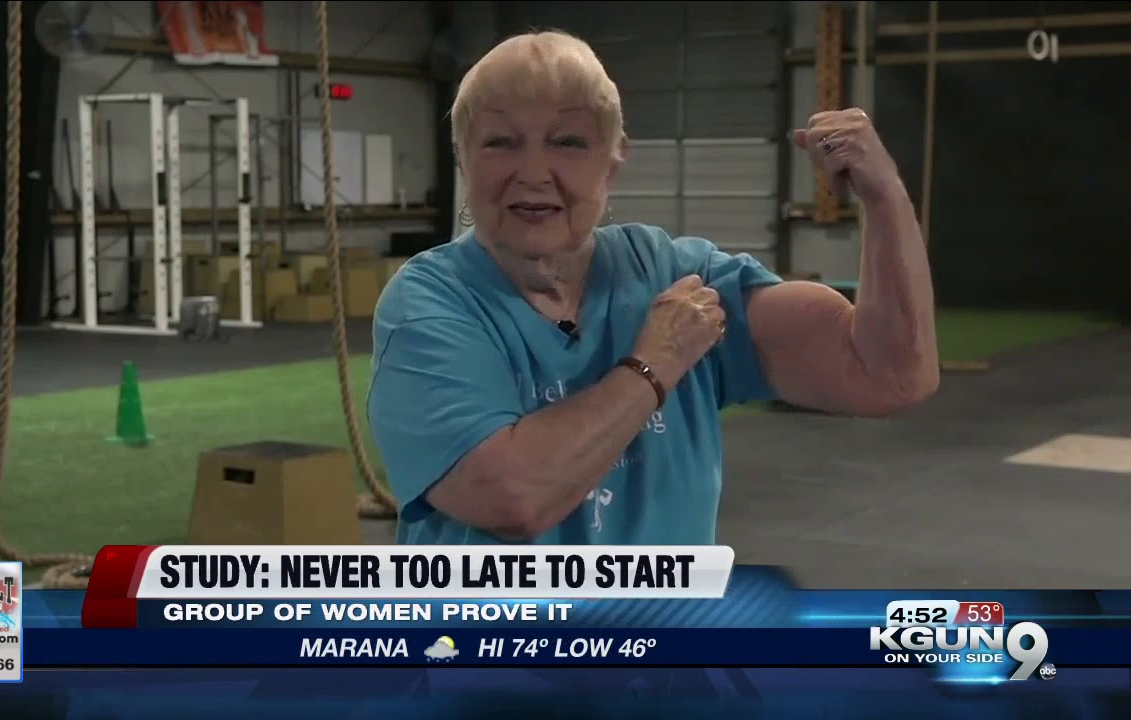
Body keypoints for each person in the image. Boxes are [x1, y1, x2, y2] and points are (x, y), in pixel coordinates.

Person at [367, 30, 939, 546]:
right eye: (500, 142)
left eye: (568, 142)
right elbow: (511, 497)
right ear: (463, 158)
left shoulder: (679, 277)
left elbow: (888, 375)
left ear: (613, 163)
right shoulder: (429, 302)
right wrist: (653, 364)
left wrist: (883, 195)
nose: (534, 171)